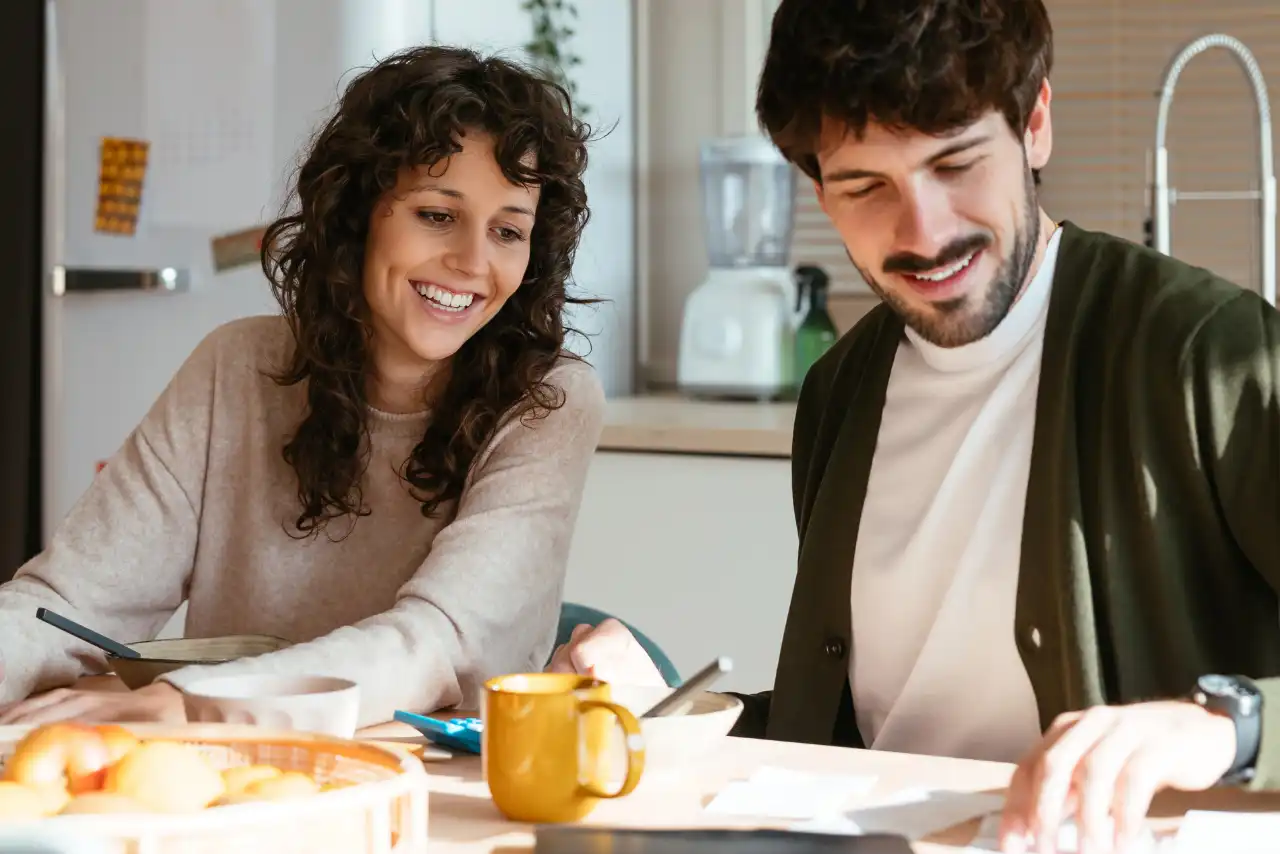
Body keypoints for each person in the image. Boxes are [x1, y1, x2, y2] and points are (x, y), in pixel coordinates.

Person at [548, 0, 1280, 850]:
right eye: (866, 187)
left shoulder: (1211, 355)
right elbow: (864, 743)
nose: (924, 232)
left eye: (956, 163)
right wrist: (678, 712)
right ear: (817, 189)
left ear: (1034, 124)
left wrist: (1226, 727)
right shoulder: (839, 393)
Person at [0, 44, 606, 730]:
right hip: (230, 788)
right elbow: (65, 605)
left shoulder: (548, 403)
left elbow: (436, 645)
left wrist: (190, 702)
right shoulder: (235, 365)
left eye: (507, 231)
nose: (473, 261)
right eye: (437, 215)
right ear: (358, 215)